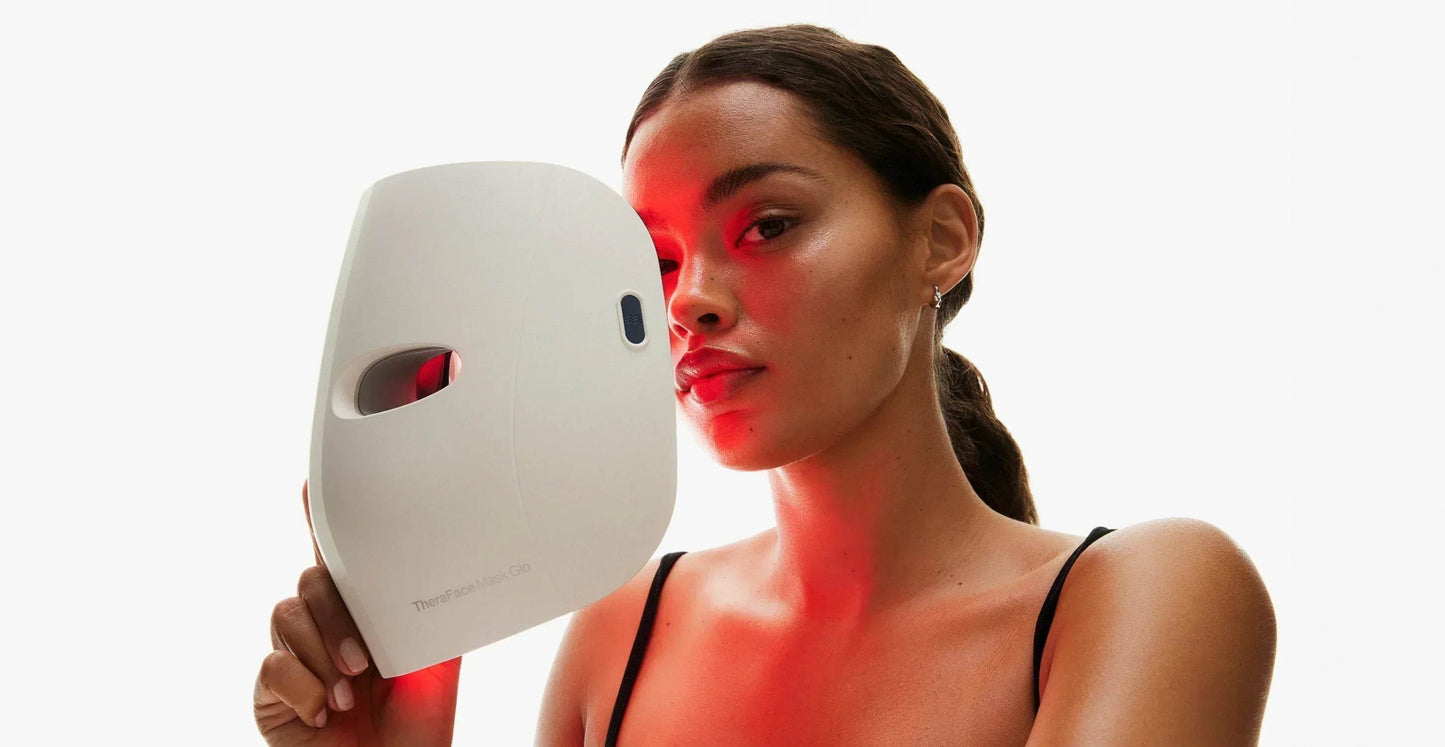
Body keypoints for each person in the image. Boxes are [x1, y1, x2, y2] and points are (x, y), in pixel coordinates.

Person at [254, 23, 1277, 746]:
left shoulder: (1143, 595)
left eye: (766, 227)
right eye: (653, 262)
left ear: (941, 240)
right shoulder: (621, 631)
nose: (688, 300)